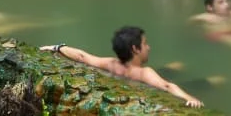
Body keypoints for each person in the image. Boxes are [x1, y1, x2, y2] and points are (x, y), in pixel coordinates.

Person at [41, 27, 203, 108]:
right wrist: (189, 98)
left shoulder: (111, 64)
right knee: (175, 73)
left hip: (123, 84)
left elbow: (82, 57)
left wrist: (57, 47)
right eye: (145, 44)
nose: (148, 47)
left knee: (172, 68)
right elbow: (167, 86)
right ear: (135, 49)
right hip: (142, 87)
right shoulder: (144, 73)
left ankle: (175, 67)